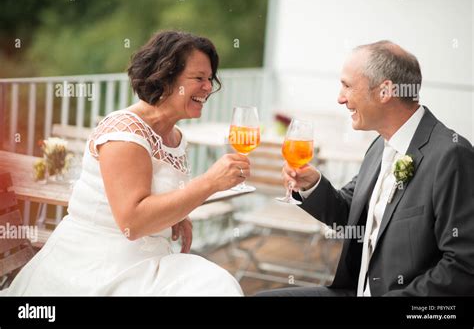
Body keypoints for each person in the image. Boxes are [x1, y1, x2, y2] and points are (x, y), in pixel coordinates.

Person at [2, 31, 249, 296]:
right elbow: (133, 221)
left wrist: (178, 214)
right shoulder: (124, 132)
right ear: (165, 77)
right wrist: (209, 182)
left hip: (149, 260)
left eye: (210, 79)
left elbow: (153, 194)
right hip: (99, 267)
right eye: (199, 78)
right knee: (217, 287)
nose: (208, 87)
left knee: (217, 285)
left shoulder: (175, 137)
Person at [258, 40, 474, 296]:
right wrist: (312, 185)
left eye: (347, 86)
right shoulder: (380, 145)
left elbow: (463, 265)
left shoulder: (451, 155)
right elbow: (351, 215)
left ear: (384, 92)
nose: (340, 98)